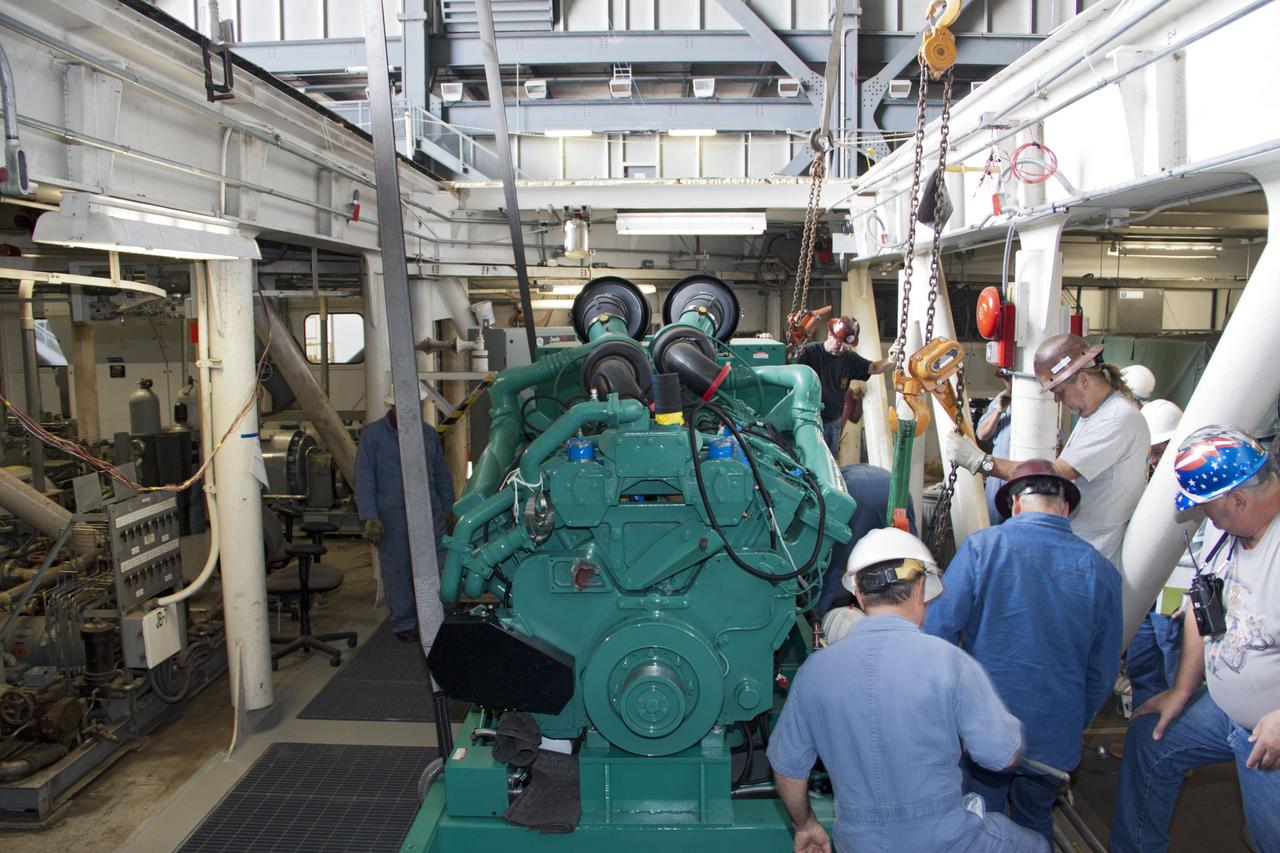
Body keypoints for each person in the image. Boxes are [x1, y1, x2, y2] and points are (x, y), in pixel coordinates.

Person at [767, 528, 1047, 853]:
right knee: (1035, 844)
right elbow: (999, 754)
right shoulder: (950, 663)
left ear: (858, 594)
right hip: (946, 840)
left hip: (858, 843)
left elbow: (787, 769)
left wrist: (806, 826)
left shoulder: (813, 673)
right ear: (920, 589)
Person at [924, 459, 1122, 842]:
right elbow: (1102, 672)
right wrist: (1070, 722)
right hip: (1054, 738)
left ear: (1014, 505)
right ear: (1065, 508)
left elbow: (937, 632)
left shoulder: (983, 548)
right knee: (1035, 823)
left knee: (980, 824)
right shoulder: (1103, 572)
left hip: (987, 730)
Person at [1111, 425, 1280, 852]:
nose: (1205, 517)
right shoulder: (1228, 533)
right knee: (1150, 740)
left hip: (1268, 735)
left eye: (1208, 509)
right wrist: (1182, 691)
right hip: (1222, 710)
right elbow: (1201, 604)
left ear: (1239, 500)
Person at [948, 333, 1149, 568]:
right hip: (1076, 548)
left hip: (1088, 556)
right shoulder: (1096, 414)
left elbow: (1056, 473)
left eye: (1060, 391)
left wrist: (980, 461)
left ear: (1083, 380)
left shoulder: (1116, 419)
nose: (1056, 398)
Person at [355, 383, 455, 642]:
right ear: (393, 406)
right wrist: (369, 516)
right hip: (392, 517)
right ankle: (404, 623)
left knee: (438, 566)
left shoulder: (428, 435)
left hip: (429, 514)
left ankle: (436, 616)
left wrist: (448, 509)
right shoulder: (373, 436)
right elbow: (364, 478)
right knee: (397, 569)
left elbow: (442, 476)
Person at [1126, 399, 1190, 711]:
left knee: (1175, 674)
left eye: (1159, 449)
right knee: (1142, 667)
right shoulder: (1147, 478)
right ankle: (1146, 738)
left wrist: (1193, 597)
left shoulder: (1195, 480)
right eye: (1150, 450)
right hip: (1148, 590)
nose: (1152, 457)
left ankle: (1177, 746)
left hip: (1179, 595)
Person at [814, 464, 916, 615]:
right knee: (906, 557)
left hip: (856, 496)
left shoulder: (830, 474)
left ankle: (818, 615)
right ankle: (908, 609)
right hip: (895, 491)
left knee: (836, 560)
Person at [796, 315, 892, 457]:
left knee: (830, 466)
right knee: (805, 460)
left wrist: (891, 359)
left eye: (844, 346)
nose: (840, 347)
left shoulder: (849, 359)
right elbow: (790, 361)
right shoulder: (810, 352)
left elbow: (873, 368)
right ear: (829, 334)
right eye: (838, 341)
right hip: (807, 422)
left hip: (832, 423)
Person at [977, 368, 1014, 525]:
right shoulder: (1001, 399)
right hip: (998, 473)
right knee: (994, 523)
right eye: (1005, 379)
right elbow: (982, 434)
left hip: (1024, 473)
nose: (1007, 382)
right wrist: (998, 410)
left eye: (1009, 378)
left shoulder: (1041, 401)